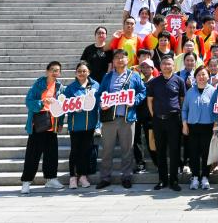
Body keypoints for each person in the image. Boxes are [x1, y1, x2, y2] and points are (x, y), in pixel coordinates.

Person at [96, 49, 147, 190]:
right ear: (113, 61)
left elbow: (143, 91)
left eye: (122, 57)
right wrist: (102, 103)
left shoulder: (134, 76)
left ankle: (126, 177)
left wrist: (135, 101)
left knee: (127, 149)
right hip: (109, 119)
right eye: (117, 57)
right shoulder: (107, 76)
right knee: (106, 150)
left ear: (127, 60)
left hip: (127, 118)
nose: (119, 60)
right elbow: (99, 94)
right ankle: (105, 178)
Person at [20, 61, 65, 194]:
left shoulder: (61, 88)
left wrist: (61, 122)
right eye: (52, 70)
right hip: (38, 124)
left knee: (52, 154)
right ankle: (26, 181)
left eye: (57, 70)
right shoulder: (38, 84)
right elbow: (29, 102)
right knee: (33, 155)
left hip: (52, 124)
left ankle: (51, 179)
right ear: (47, 71)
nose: (54, 72)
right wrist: (42, 102)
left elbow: (62, 107)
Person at [148, 55, 186, 191]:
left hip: (174, 120)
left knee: (174, 151)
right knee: (161, 151)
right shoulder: (154, 82)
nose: (166, 66)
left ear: (173, 66)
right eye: (164, 64)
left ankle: (174, 180)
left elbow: (182, 100)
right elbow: (150, 101)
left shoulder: (179, 81)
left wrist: (181, 117)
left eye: (169, 64)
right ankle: (162, 180)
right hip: (158, 120)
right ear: (160, 66)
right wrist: (155, 116)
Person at [64, 60, 100, 189]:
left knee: (86, 151)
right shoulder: (70, 88)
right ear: (75, 73)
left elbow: (99, 106)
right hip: (75, 125)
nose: (82, 73)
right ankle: (73, 177)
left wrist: (98, 125)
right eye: (79, 71)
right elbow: (64, 106)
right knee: (75, 151)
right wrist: (73, 108)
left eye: (84, 71)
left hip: (90, 124)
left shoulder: (95, 85)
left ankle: (83, 176)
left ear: (89, 72)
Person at [182, 65, 216, 190]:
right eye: (199, 75)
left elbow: (216, 110)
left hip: (208, 127)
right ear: (195, 77)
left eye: (204, 74)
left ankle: (205, 177)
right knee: (193, 153)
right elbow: (184, 109)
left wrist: (216, 124)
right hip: (193, 127)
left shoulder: (213, 91)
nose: (201, 77)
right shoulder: (190, 92)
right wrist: (184, 124)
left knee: (207, 153)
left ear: (208, 76)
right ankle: (195, 177)